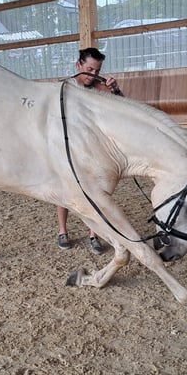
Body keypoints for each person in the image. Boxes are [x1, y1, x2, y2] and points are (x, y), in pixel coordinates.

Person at [57, 47, 123, 253]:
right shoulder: (64, 87)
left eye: (97, 70)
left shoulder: (101, 88)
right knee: (64, 191)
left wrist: (116, 91)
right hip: (67, 145)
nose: (93, 75)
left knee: (94, 190)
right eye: (89, 69)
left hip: (93, 148)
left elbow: (122, 109)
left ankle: (94, 234)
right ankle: (62, 231)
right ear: (79, 65)